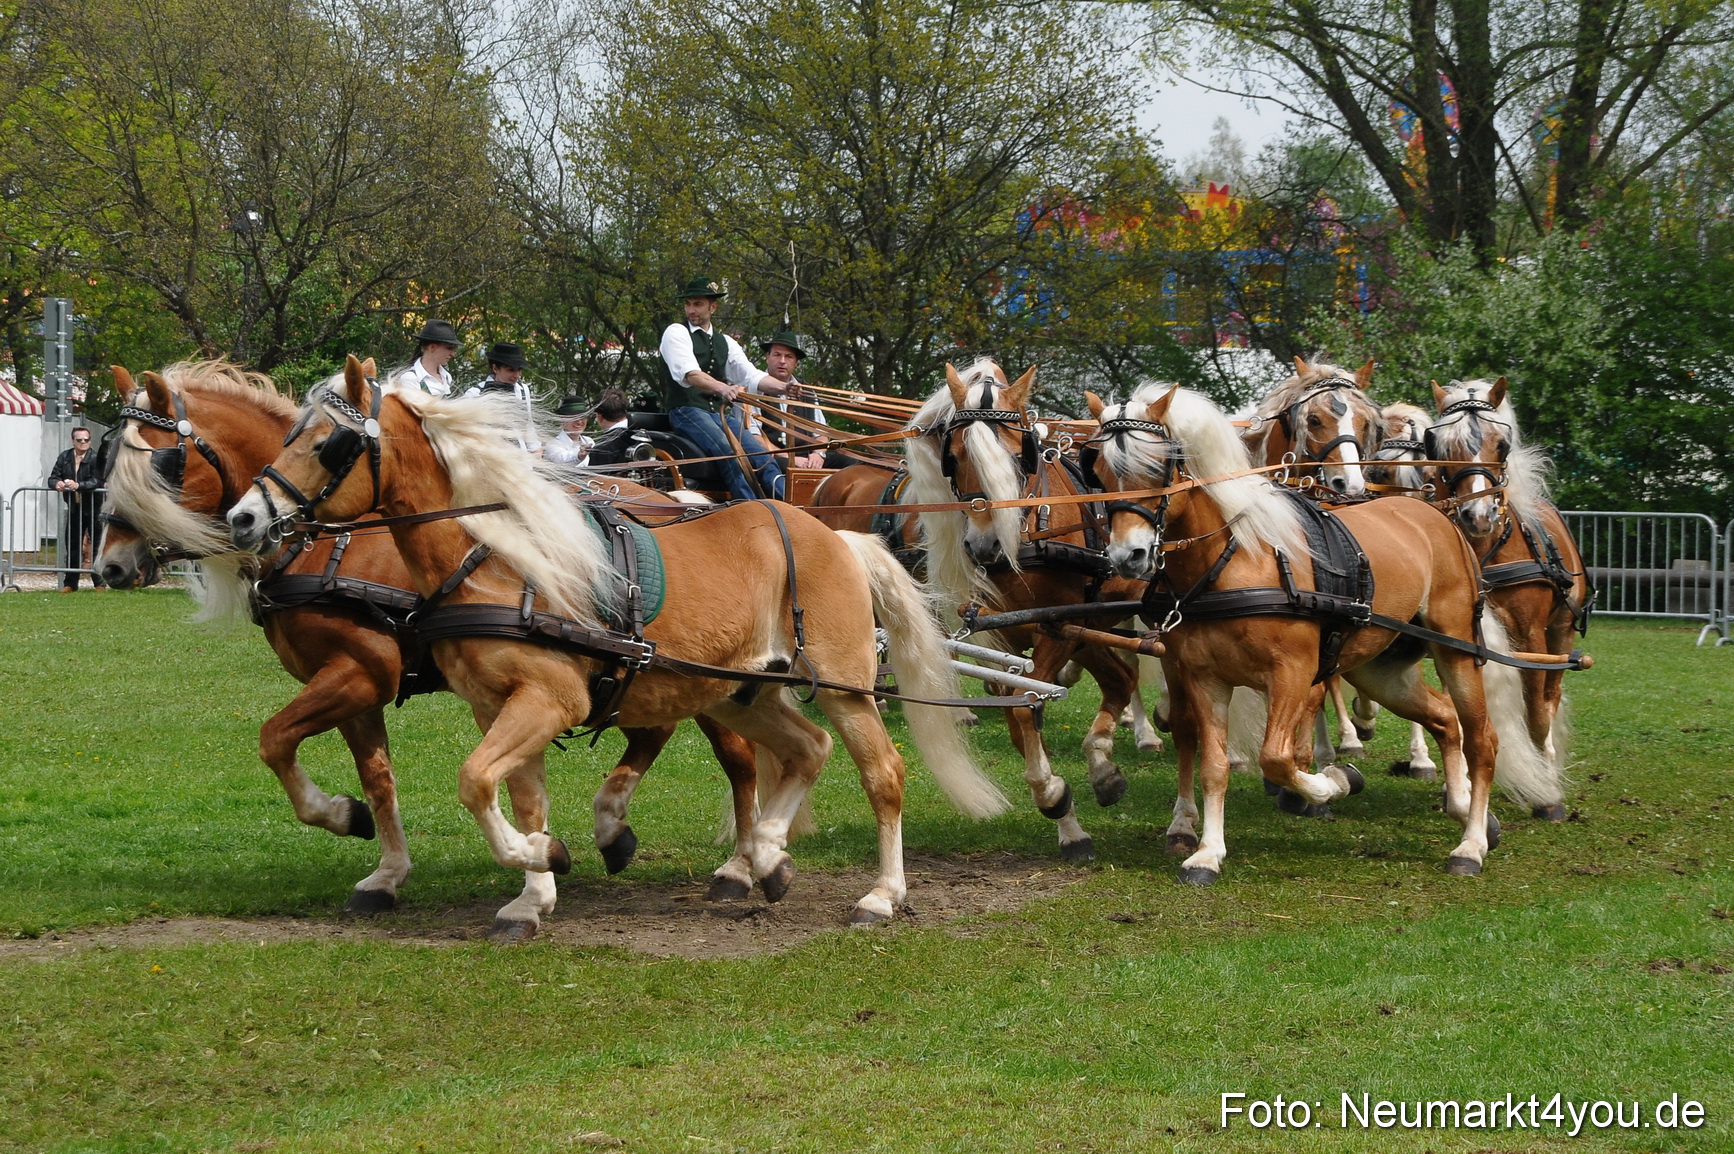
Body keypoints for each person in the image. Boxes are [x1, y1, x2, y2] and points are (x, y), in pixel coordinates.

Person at [659, 276, 789, 501]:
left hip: (716, 414)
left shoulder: (725, 342)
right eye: (688, 304)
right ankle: (751, 509)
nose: (691, 310)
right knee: (729, 453)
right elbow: (691, 374)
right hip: (686, 410)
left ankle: (790, 506)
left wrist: (784, 387)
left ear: (713, 306)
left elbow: (750, 374)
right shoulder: (676, 332)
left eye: (697, 304)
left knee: (762, 456)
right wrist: (723, 388)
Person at [757, 330, 830, 470]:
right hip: (772, 457)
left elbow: (821, 433)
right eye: (777, 355)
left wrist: (818, 454)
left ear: (796, 362)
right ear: (767, 357)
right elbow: (753, 437)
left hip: (807, 458)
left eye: (789, 357)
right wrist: (790, 458)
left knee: (849, 463)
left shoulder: (807, 391)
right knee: (777, 466)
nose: (782, 361)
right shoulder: (755, 388)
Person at [47, 426, 103, 591]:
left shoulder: (96, 457)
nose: (84, 442)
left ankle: (99, 583)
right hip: (74, 507)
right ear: (73, 441)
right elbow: (52, 477)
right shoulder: (65, 456)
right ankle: (70, 584)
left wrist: (78, 485)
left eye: (87, 439)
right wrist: (57, 483)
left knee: (97, 546)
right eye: (80, 440)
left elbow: (98, 481)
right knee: (72, 546)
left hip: (94, 508)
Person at [464, 341, 541, 454]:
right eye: (510, 370)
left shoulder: (523, 390)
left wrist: (535, 449)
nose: (516, 375)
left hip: (522, 459)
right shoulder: (475, 394)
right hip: (491, 459)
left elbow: (527, 424)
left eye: (519, 370)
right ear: (495, 368)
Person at [389, 318, 461, 397]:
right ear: (432, 347)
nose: (452, 354)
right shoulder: (411, 379)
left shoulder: (447, 377)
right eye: (449, 348)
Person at [544, 396, 592, 465]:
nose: (579, 422)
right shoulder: (552, 444)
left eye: (582, 417)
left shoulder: (589, 441)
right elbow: (562, 460)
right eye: (574, 417)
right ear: (562, 420)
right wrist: (579, 456)